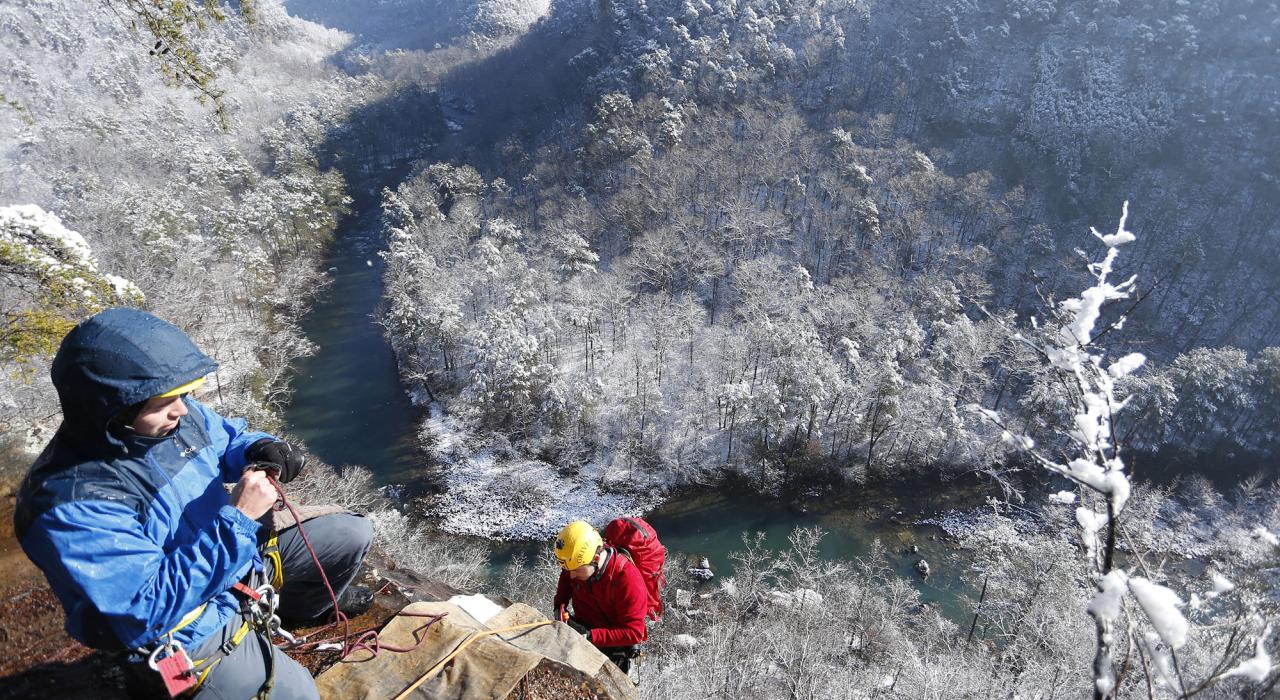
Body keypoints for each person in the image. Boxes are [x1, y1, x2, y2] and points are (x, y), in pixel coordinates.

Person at [14, 308, 374, 699]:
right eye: (165, 402)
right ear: (112, 409)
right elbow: (144, 610)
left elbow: (227, 436)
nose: (182, 409)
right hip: (184, 625)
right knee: (298, 694)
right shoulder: (71, 504)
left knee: (350, 533)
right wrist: (238, 519)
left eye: (183, 395)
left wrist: (257, 446)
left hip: (233, 561)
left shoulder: (166, 416)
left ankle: (302, 609)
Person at [552, 520, 648, 673]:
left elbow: (635, 633)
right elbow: (567, 575)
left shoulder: (627, 579)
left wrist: (591, 636)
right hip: (585, 629)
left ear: (595, 559)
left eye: (576, 570)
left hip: (613, 646)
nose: (571, 575)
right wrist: (560, 603)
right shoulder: (578, 563)